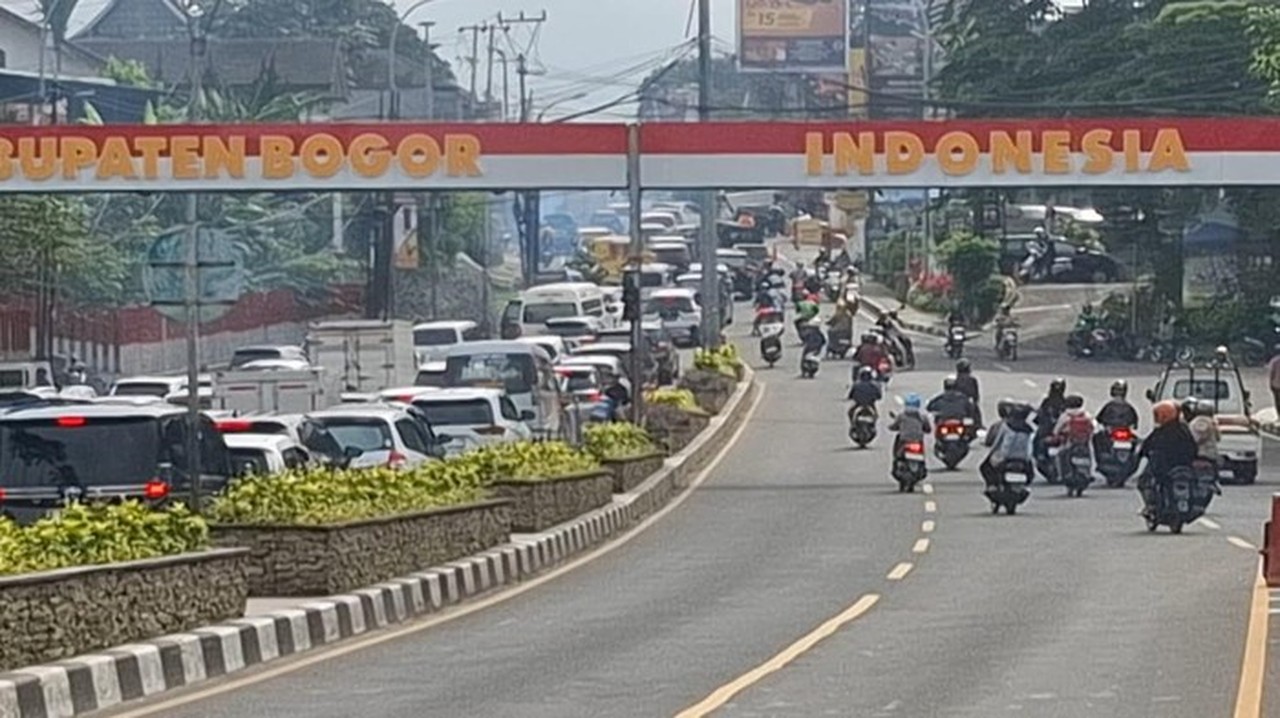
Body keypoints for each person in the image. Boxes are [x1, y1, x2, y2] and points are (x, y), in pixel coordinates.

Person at [1137, 400, 1199, 511]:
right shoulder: (1184, 429)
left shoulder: (1161, 432)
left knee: (1144, 480)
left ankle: (1152, 505)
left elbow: (1147, 445)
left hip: (1165, 468)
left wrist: (1141, 454)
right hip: (1185, 467)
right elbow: (1194, 448)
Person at [980, 399, 1035, 488]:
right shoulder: (1029, 429)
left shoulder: (1006, 426)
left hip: (1006, 457)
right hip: (1024, 458)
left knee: (985, 467)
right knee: (1031, 473)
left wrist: (991, 454)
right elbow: (1031, 445)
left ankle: (992, 486)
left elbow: (997, 442)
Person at [1093, 379, 1140, 457]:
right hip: (1121, 433)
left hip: (1111, 433)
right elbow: (1135, 423)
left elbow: (1099, 419)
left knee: (1096, 438)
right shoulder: (1130, 407)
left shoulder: (1108, 406)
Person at [1187, 398, 1220, 463]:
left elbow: (1195, 439)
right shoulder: (1208, 421)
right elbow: (1218, 437)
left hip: (1202, 455)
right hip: (1206, 455)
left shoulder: (1201, 421)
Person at [953, 359, 983, 428]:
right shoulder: (972, 379)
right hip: (967, 403)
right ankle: (979, 425)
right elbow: (976, 395)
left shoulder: (955, 379)